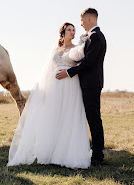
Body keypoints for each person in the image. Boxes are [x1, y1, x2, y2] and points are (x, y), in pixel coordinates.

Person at [7, 22, 92, 169]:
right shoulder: (56, 49)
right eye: (69, 30)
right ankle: (51, 152)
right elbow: (48, 71)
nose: (72, 32)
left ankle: (66, 153)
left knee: (68, 116)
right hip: (55, 87)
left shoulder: (77, 48)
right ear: (63, 33)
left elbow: (82, 63)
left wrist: (83, 43)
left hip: (70, 85)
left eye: (74, 30)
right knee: (54, 116)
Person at [57, 8, 107, 166]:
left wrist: (69, 72)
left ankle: (98, 156)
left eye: (82, 20)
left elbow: (88, 62)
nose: (81, 23)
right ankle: (95, 152)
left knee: (94, 119)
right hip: (88, 83)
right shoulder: (92, 37)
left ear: (90, 19)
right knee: (92, 118)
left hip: (91, 84)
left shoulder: (96, 37)